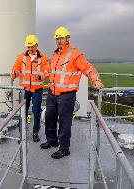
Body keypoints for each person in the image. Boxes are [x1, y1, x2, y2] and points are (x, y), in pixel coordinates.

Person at [40, 27, 103, 158]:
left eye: (61, 38)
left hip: (67, 95)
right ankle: (52, 140)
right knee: (49, 116)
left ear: (67, 38)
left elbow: (88, 67)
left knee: (64, 121)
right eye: (57, 38)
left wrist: (95, 80)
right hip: (52, 92)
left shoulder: (75, 54)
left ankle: (64, 148)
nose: (58, 40)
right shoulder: (56, 53)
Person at [11, 34, 50, 142]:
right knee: (23, 111)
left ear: (37, 45)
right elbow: (16, 69)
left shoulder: (43, 58)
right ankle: (21, 134)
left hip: (37, 90)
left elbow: (47, 72)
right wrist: (14, 73)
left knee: (36, 111)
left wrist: (41, 76)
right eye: (28, 47)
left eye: (32, 46)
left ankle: (35, 132)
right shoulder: (21, 57)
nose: (30, 49)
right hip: (26, 90)